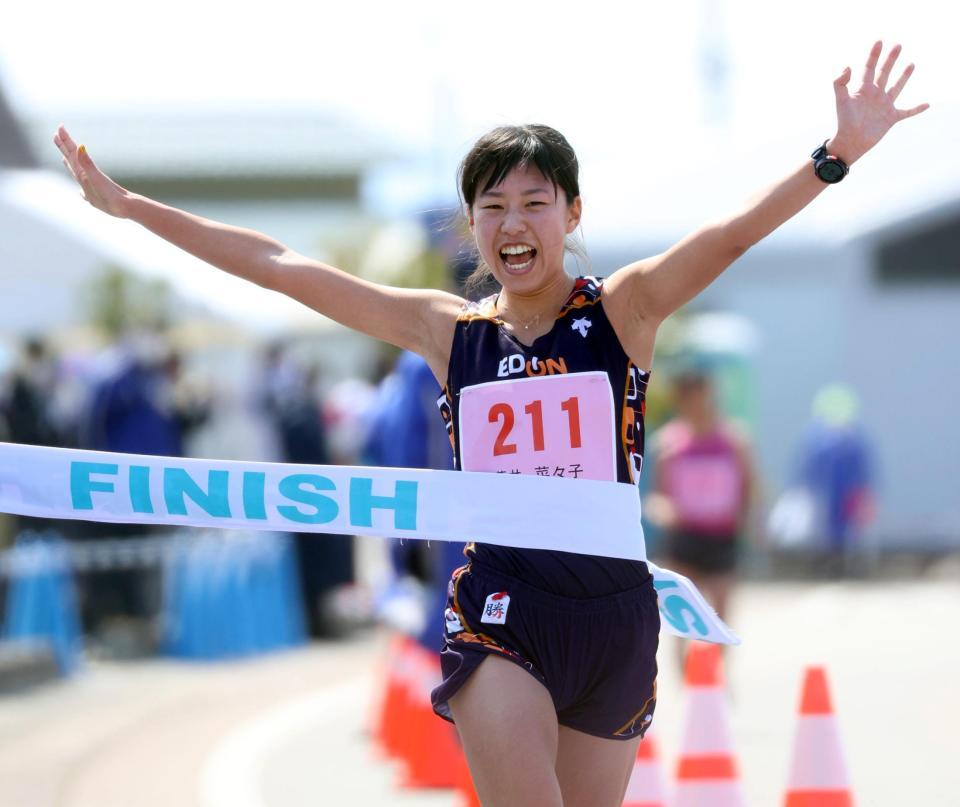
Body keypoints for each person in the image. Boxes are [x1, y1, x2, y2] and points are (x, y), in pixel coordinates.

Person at [52, 41, 925, 806]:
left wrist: (836, 154)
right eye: (492, 205)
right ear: (471, 226)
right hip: (500, 612)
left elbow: (729, 237)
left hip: (615, 619)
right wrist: (132, 209)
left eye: (534, 202)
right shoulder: (447, 332)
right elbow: (280, 266)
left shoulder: (624, 312)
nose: (513, 222)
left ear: (571, 215)